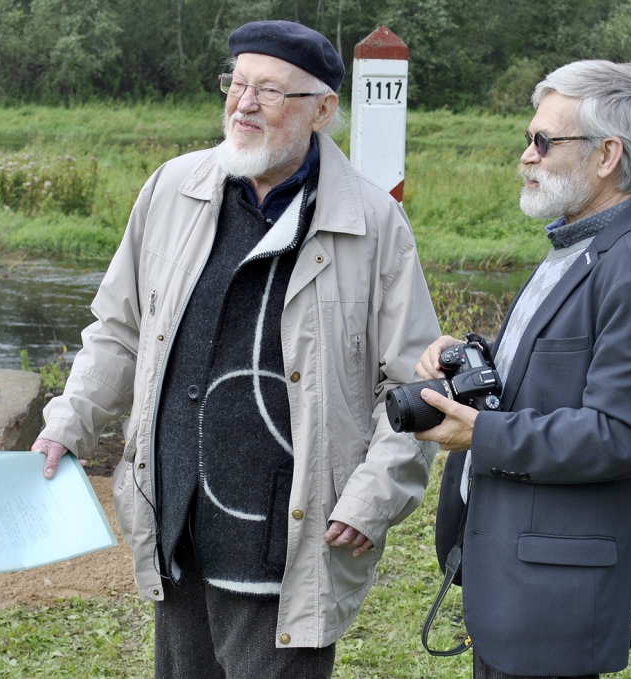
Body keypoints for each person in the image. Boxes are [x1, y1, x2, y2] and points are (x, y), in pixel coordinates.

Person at [31, 20, 440, 679]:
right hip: (177, 523)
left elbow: (414, 384)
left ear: (322, 110)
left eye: (269, 91)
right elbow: (119, 329)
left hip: (288, 537)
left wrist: (374, 496)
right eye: (237, 84)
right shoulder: (173, 189)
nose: (244, 104)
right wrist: (68, 422)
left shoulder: (371, 222)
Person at [414, 60, 631, 679]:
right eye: (528, 138)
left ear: (607, 155)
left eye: (543, 140)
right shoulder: (575, 244)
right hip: (518, 578)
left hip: (554, 600)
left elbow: (624, 435)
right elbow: (546, 364)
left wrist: (482, 433)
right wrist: (472, 357)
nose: (526, 156)